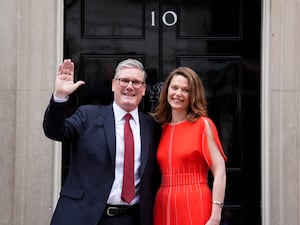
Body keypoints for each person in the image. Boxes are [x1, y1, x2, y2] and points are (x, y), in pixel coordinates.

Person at [43, 58, 161, 225]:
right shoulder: (87, 116)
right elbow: (54, 131)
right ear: (113, 84)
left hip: (130, 218)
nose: (129, 86)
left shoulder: (151, 127)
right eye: (124, 80)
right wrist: (60, 96)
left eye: (136, 82)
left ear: (143, 89)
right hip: (82, 215)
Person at [151, 67, 227, 225]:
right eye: (174, 88)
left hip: (195, 200)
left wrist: (216, 215)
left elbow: (220, 172)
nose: (178, 93)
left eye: (185, 90)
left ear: (193, 95)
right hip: (164, 203)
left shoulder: (203, 125)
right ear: (167, 91)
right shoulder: (161, 128)